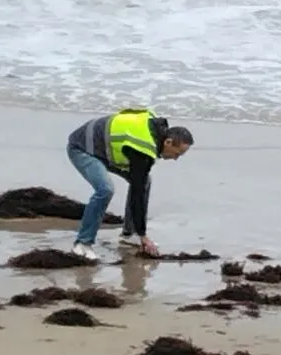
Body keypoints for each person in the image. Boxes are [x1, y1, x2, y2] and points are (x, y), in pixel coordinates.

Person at [66, 107, 193, 261]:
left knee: (145, 181)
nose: (175, 159)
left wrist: (139, 234)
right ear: (168, 142)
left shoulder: (155, 134)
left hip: (105, 149)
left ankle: (129, 234)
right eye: (177, 153)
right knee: (105, 190)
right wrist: (144, 236)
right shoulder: (143, 147)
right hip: (82, 148)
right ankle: (82, 244)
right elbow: (136, 193)